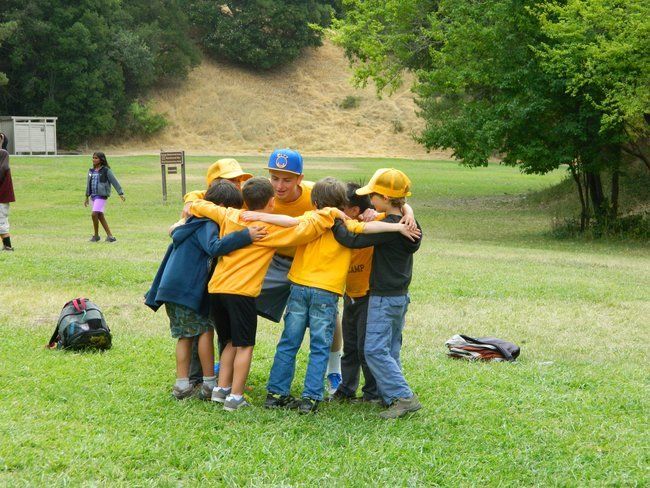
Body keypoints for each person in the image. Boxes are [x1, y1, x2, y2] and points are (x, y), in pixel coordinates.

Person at [243, 177, 421, 414]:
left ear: (314, 200)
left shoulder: (310, 218)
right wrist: (399, 225)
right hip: (326, 292)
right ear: (342, 203)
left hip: (298, 287)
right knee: (320, 346)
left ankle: (276, 394)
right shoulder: (345, 223)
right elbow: (369, 227)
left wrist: (259, 216)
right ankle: (311, 399)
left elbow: (288, 221)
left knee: (288, 343)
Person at [188, 177, 347, 411]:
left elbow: (201, 204)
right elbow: (303, 231)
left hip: (216, 289)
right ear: (272, 202)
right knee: (245, 345)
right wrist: (329, 213)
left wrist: (190, 200)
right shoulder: (267, 230)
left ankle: (220, 391)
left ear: (245, 201)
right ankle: (235, 397)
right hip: (241, 293)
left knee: (229, 341)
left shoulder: (230, 215)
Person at [145, 180, 265, 400]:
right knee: (205, 330)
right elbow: (214, 247)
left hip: (172, 291)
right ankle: (210, 382)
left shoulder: (189, 222)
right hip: (188, 291)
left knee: (184, 336)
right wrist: (244, 236)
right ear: (220, 206)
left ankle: (182, 384)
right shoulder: (207, 223)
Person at [331, 168, 423, 419]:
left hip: (382, 297)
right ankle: (388, 395)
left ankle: (403, 398)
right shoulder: (408, 223)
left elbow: (352, 241)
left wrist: (336, 221)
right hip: (400, 296)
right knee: (390, 349)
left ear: (383, 198)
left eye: (373, 195)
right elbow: (401, 208)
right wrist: (408, 209)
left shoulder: (388, 228)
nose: (369, 200)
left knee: (373, 350)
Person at [182, 158, 253, 388]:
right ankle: (197, 378)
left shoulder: (239, 204)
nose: (238, 185)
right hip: (202, 275)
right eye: (233, 180)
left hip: (228, 277)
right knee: (201, 326)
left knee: (226, 330)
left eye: (240, 180)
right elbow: (194, 200)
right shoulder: (205, 204)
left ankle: (226, 376)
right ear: (215, 184)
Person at [331, 183, 380, 403]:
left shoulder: (373, 223)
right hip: (349, 294)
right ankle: (347, 388)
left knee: (365, 347)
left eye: (342, 206)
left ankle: (372, 392)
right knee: (349, 345)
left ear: (355, 210)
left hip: (368, 295)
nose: (337, 210)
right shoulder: (341, 225)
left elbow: (397, 215)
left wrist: (375, 212)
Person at [84, 152, 125, 242]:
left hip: (101, 196)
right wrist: (87, 196)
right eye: (93, 158)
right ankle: (110, 237)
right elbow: (88, 184)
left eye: (96, 158)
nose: (94, 159)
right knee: (100, 215)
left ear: (101, 160)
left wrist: (120, 193)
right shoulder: (91, 171)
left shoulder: (106, 170)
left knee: (94, 214)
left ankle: (96, 236)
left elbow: (114, 181)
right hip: (93, 196)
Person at [0, 133, 15, 251]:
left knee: (1, 220)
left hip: (2, 195)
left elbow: (3, 169)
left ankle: (8, 246)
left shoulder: (3, 154)